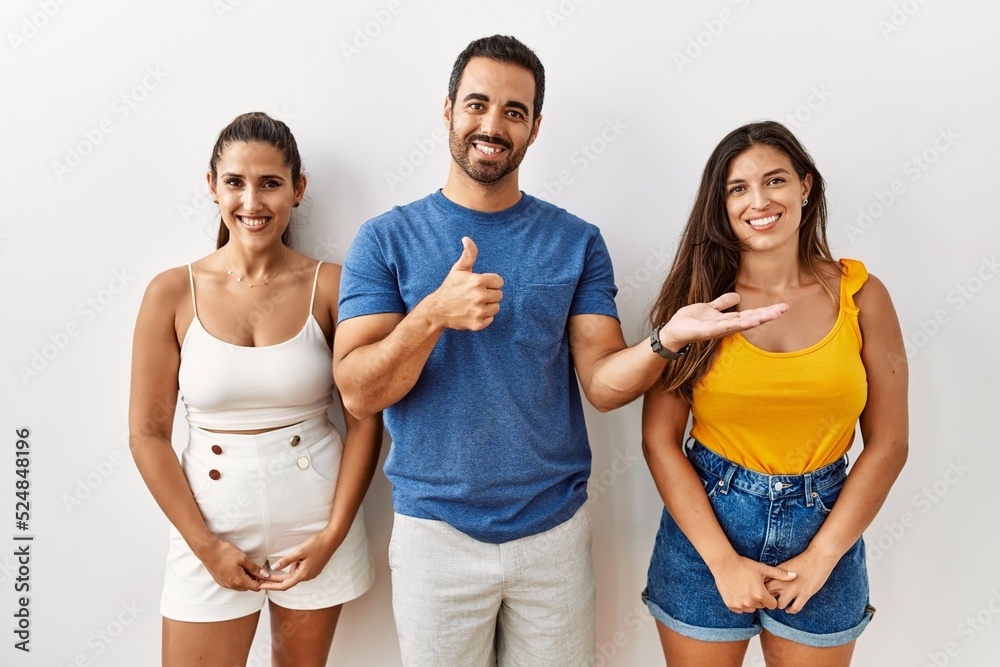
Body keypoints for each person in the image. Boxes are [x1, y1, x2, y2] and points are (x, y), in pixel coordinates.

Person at [333, 36, 787, 667]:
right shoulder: (386, 238)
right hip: (435, 534)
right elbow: (357, 391)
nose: (492, 125)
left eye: (514, 112)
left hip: (552, 534)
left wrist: (666, 340)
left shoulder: (575, 241)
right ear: (447, 110)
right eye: (477, 105)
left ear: (535, 128)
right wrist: (431, 315)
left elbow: (602, 386)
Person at [640, 121, 909, 666]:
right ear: (721, 203)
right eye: (738, 188)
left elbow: (889, 444)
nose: (758, 201)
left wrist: (822, 558)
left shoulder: (864, 295)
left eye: (775, 180)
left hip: (826, 527)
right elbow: (659, 440)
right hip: (706, 529)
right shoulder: (698, 301)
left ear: (806, 186)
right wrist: (721, 562)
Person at [129, 112, 379, 667]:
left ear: (298, 188)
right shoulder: (171, 292)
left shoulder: (334, 285)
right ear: (212, 185)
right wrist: (204, 546)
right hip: (209, 523)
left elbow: (366, 415)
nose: (252, 202)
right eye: (236, 182)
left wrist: (334, 535)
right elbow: (146, 434)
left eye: (270, 183)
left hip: (314, 524)